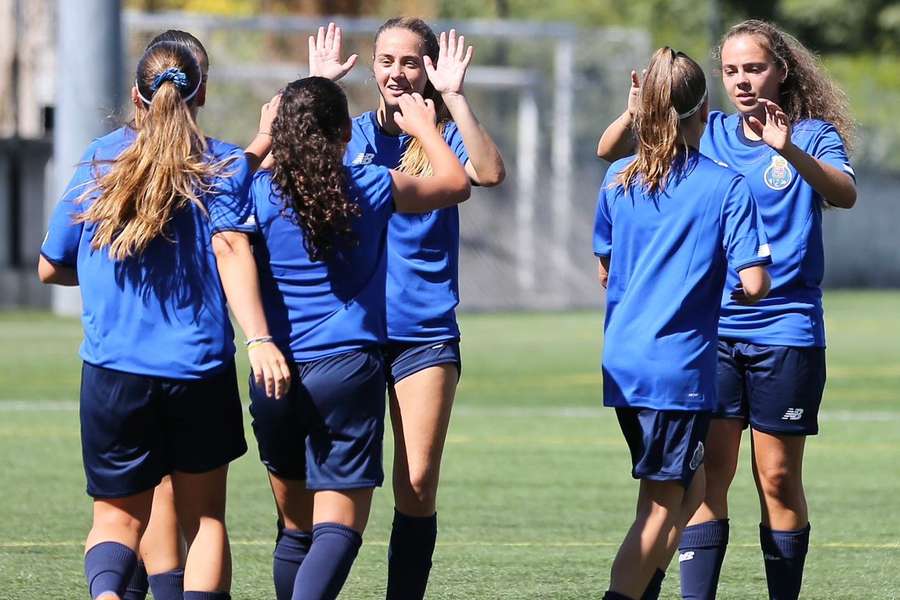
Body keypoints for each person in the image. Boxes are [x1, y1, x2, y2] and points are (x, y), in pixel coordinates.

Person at [597, 20, 857, 600]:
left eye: (755, 68)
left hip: (785, 327)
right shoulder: (705, 129)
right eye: (732, 70)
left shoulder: (810, 134)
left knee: (779, 479)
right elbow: (613, 151)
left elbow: (843, 193)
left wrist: (786, 149)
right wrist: (638, 108)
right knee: (707, 478)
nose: (743, 81)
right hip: (709, 333)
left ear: (782, 70)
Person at [39, 40, 288, 600]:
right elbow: (230, 247)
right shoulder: (222, 164)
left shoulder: (101, 158)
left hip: (113, 370)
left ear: (136, 95)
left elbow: (50, 266)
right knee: (204, 523)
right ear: (201, 93)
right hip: (196, 368)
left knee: (115, 521)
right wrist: (261, 338)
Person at [214, 76, 470, 600]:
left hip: (274, 371)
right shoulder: (372, 185)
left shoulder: (256, 191)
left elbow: (224, 185)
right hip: (347, 371)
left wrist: (264, 137)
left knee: (295, 528)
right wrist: (426, 128)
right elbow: (457, 183)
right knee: (338, 528)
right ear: (341, 136)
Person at [305, 20, 505, 599]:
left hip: (423, 332)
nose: (397, 73)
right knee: (337, 490)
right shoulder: (351, 133)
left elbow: (489, 173)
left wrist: (455, 100)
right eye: (386, 60)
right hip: (351, 336)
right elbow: (286, 167)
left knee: (416, 483)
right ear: (372, 66)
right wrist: (316, 86)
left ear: (429, 68)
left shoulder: (441, 137)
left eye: (410, 62)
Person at [593, 47, 771, 600]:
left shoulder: (619, 177)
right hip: (675, 370)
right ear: (705, 108)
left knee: (689, 488)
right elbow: (756, 283)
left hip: (623, 362)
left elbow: (605, 267)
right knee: (658, 510)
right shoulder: (726, 185)